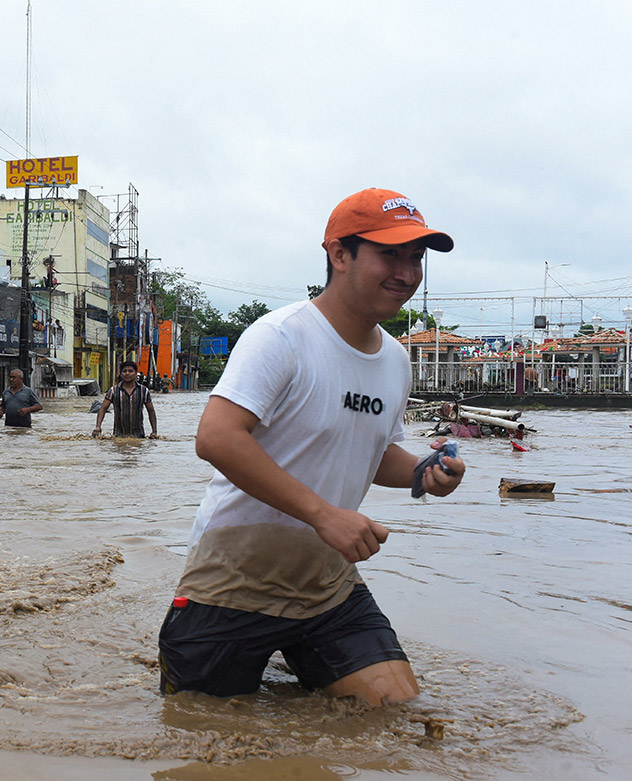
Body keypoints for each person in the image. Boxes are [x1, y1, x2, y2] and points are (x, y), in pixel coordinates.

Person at [158, 188, 467, 707]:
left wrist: (423, 472)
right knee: (203, 735)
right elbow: (215, 437)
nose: (408, 273)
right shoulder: (281, 337)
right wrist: (324, 514)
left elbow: (375, 452)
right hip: (234, 581)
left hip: (327, 584)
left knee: (394, 712)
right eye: (390, 253)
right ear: (339, 254)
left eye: (417, 258)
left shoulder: (395, 360)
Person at [93, 361, 159, 438]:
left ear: (135, 373)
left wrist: (154, 431)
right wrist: (98, 426)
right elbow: (103, 409)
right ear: (121, 374)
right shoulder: (113, 390)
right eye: (124, 371)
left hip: (139, 437)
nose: (127, 373)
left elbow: (151, 411)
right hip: (118, 437)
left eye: (130, 371)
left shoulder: (143, 391)